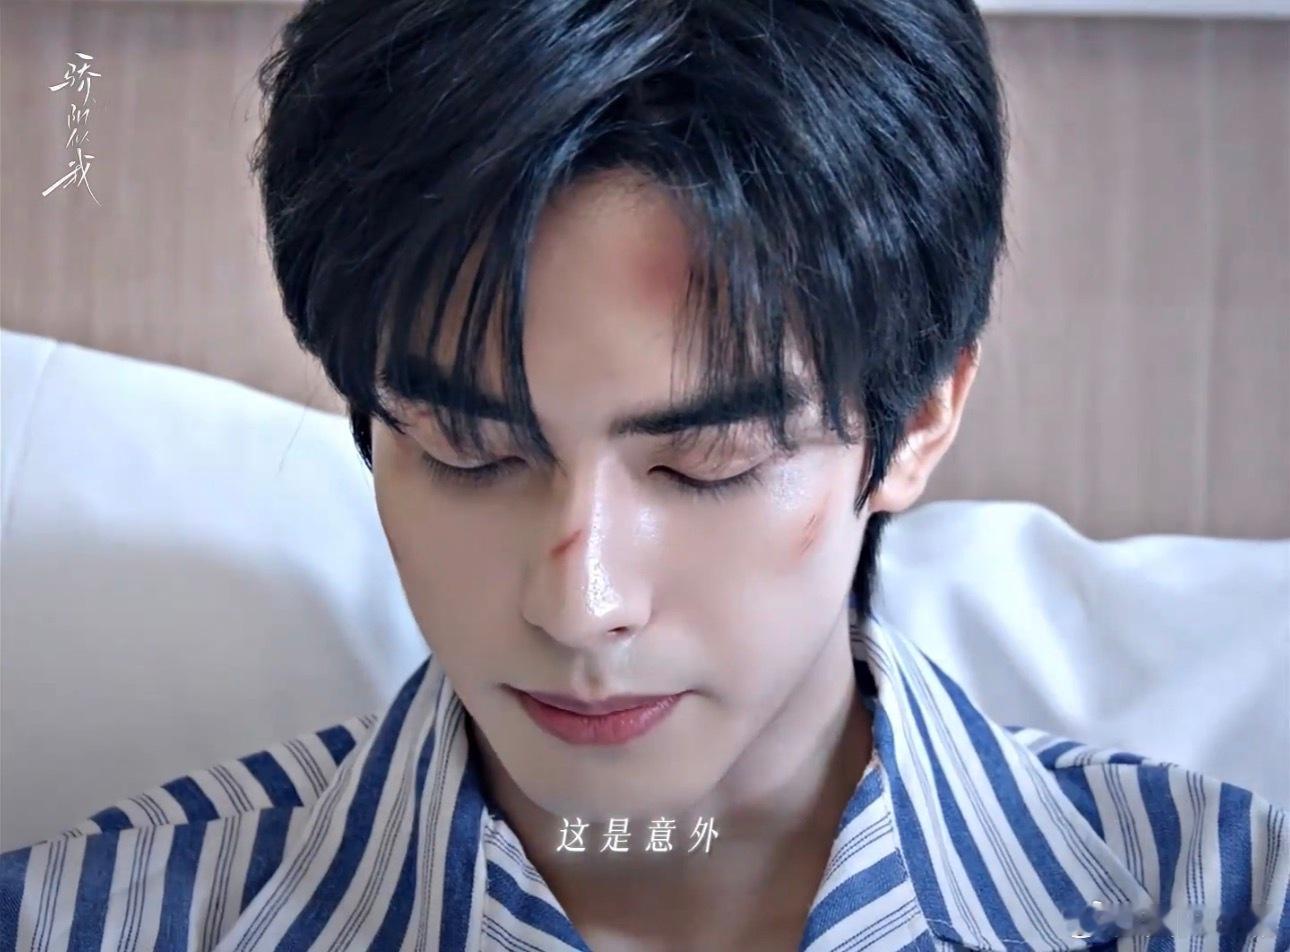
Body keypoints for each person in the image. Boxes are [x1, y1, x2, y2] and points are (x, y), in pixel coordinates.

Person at [3, 1, 1288, 949]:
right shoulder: (95, 921)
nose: (581, 604)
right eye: (469, 451)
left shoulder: (1225, 909)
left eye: (708, 462)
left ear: (920, 419)